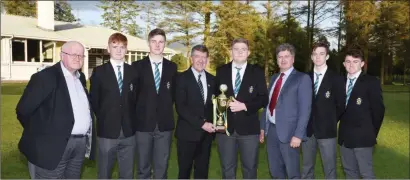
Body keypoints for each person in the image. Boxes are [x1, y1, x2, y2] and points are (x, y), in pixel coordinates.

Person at [16, 41, 95, 179]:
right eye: (73, 54)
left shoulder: (80, 77)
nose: (78, 58)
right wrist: (42, 135)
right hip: (52, 146)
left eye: (81, 55)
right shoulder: (45, 77)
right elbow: (23, 110)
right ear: (62, 55)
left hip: (79, 145)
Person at [215, 38, 268, 179]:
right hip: (225, 130)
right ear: (231, 51)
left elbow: (264, 98)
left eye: (243, 49)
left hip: (249, 130)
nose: (239, 52)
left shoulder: (256, 72)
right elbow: (215, 98)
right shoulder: (221, 71)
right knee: (227, 169)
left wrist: (244, 106)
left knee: (250, 168)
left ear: (248, 52)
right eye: (236, 49)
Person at [260, 43, 312, 179]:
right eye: (280, 57)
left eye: (286, 56)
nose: (283, 60)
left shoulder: (302, 79)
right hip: (271, 130)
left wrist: (298, 135)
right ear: (277, 60)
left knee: (292, 172)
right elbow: (268, 105)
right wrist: (262, 127)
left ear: (293, 59)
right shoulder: (274, 78)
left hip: (290, 134)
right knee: (275, 171)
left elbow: (305, 110)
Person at [90, 33, 137, 179]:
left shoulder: (133, 72)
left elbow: (135, 100)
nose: (118, 50)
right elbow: (94, 101)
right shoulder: (99, 72)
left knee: (127, 173)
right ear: (108, 49)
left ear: (126, 50)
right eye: (115, 46)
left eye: (122, 47)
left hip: (129, 132)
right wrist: (107, 117)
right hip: (107, 132)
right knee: (104, 172)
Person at [131, 28, 177, 179]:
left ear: (165, 44)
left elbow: (175, 95)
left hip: (164, 126)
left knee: (161, 168)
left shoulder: (172, 67)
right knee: (143, 168)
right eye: (154, 41)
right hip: (143, 125)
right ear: (148, 43)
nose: (157, 45)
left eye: (161, 42)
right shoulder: (136, 67)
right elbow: (131, 97)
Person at [338, 48, 385, 179]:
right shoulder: (339, 82)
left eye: (355, 61)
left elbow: (379, 111)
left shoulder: (371, 82)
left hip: (363, 137)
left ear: (362, 64)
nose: (351, 65)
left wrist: (370, 133)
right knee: (349, 172)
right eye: (348, 61)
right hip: (344, 138)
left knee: (366, 173)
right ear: (344, 64)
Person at [301, 42, 345, 179]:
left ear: (327, 56)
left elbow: (341, 105)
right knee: (307, 168)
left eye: (321, 53)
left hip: (327, 131)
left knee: (330, 169)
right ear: (311, 57)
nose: (318, 57)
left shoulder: (336, 79)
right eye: (315, 54)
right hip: (307, 131)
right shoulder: (304, 78)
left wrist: (330, 119)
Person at [175, 45, 215, 179]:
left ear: (207, 59)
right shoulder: (181, 78)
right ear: (191, 58)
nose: (201, 60)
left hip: (206, 136)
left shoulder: (212, 80)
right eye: (197, 56)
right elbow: (181, 107)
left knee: (202, 173)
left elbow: (213, 106)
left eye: (204, 57)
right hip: (187, 134)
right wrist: (202, 123)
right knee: (184, 172)